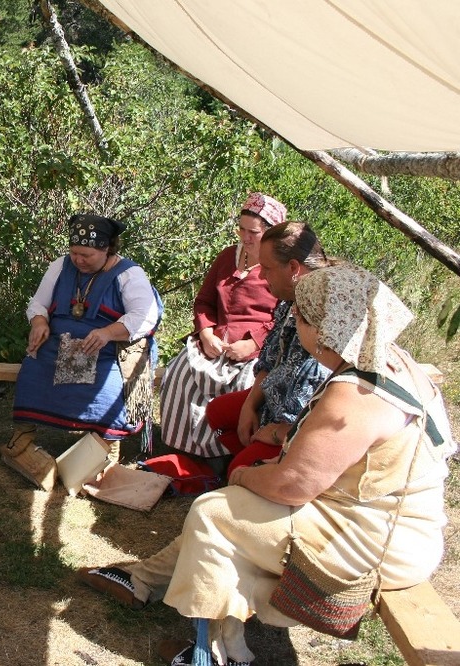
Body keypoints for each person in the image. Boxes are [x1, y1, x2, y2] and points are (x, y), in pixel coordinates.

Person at [78, 263, 455, 666]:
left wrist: (241, 475)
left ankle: (212, 650)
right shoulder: (393, 362)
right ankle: (157, 590)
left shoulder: (358, 394)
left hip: (374, 541)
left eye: (301, 319)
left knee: (216, 511)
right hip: (383, 522)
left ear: (324, 328)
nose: (296, 325)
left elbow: (292, 484)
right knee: (234, 513)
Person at [1, 214, 163, 489]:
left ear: (107, 249)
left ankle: (105, 450)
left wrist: (107, 333)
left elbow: (145, 316)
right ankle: (21, 441)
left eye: (86, 255)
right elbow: (38, 303)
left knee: (109, 387)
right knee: (34, 368)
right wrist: (39, 321)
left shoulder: (128, 274)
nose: (78, 260)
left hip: (106, 349)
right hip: (57, 344)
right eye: (74, 253)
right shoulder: (60, 266)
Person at [158, 192, 285, 468]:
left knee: (244, 386)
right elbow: (204, 301)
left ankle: (223, 457)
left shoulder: (278, 268)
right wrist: (206, 333)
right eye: (241, 229)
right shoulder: (228, 256)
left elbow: (281, 318)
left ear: (271, 233)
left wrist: (253, 344)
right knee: (178, 374)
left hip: (253, 351)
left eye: (253, 232)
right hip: (214, 341)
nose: (245, 237)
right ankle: (181, 449)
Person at [204, 221, 332, 478]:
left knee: (237, 471)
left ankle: (262, 471)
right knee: (218, 412)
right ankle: (252, 465)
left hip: (303, 421)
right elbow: (271, 357)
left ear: (294, 268)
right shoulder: (289, 300)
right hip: (275, 400)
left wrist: (278, 432)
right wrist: (250, 406)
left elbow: (314, 400)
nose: (262, 276)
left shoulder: (326, 308)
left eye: (268, 269)